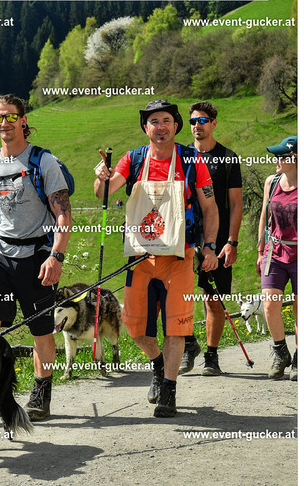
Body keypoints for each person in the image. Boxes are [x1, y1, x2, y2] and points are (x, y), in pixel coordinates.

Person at [93, 99, 219, 417]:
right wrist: (102, 177)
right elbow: (104, 192)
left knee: (176, 328)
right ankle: (158, 363)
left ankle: (169, 390)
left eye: (166, 120)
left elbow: (210, 208)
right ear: (145, 128)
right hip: (140, 258)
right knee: (135, 329)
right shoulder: (133, 159)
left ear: (176, 126)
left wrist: (209, 247)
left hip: (179, 257)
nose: (160, 127)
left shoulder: (192, 160)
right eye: (153, 121)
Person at [0, 93, 72, 420]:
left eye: (11, 116)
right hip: (0, 255)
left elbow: (63, 214)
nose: (4, 123)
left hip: (37, 257)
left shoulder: (43, 162)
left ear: (23, 120)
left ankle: (41, 393)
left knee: (41, 330)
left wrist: (56, 256)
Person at [180, 101, 243, 376]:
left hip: (216, 240)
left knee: (213, 299)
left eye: (203, 120)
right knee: (178, 298)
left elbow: (236, 204)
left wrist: (232, 241)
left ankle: (212, 356)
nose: (197, 125)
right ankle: (188, 345)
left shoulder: (228, 158)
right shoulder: (181, 156)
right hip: (184, 238)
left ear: (214, 123)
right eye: (193, 121)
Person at [256, 136, 297, 380]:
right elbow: (264, 216)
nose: (276, 160)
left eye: (282, 156)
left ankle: (302, 356)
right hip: (275, 251)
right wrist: (260, 251)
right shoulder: (271, 183)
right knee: (270, 305)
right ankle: (281, 352)